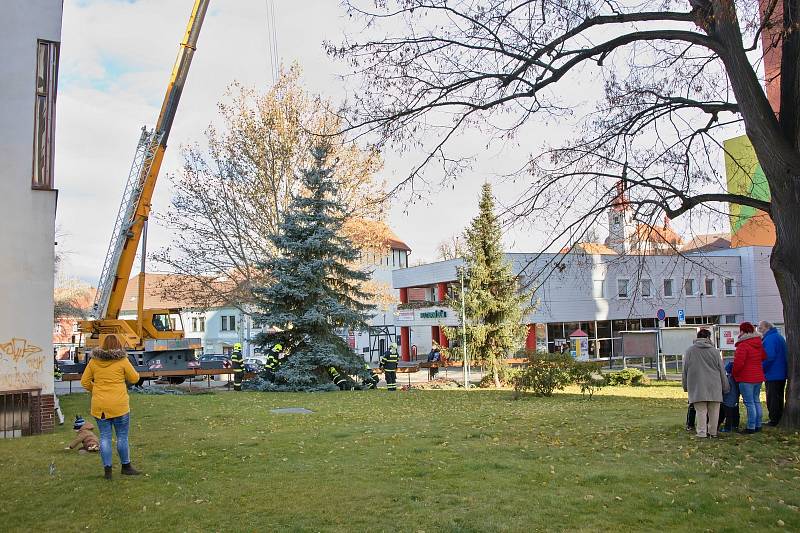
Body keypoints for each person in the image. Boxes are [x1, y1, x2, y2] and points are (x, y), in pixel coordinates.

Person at [80, 335, 142, 479]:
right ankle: (126, 466)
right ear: (119, 345)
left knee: (105, 437)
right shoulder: (122, 360)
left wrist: (95, 389)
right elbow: (134, 378)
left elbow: (84, 382)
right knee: (122, 436)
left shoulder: (94, 361)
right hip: (119, 405)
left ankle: (107, 471)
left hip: (100, 406)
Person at [682, 329, 729, 438]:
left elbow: (685, 370)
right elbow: (722, 370)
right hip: (714, 385)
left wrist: (685, 386)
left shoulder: (690, 351)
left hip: (697, 386)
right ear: (708, 338)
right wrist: (725, 386)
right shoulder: (715, 351)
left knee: (700, 411)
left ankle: (701, 433)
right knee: (714, 410)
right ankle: (713, 432)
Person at [733, 322, 767, 434]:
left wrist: (734, 374)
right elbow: (763, 357)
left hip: (746, 377)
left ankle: (751, 426)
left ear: (743, 331)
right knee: (756, 401)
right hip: (758, 376)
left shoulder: (743, 345)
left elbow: (738, 363)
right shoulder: (758, 343)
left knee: (749, 402)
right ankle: (758, 424)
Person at [758, 321, 788, 426]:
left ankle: (774, 419)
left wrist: (761, 368)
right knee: (778, 397)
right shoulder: (778, 337)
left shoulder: (770, 339)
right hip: (780, 372)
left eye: (761, 328)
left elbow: (769, 356)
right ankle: (778, 417)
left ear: (767, 327)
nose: (759, 330)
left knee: (772, 398)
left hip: (773, 373)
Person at [718, 361, 740, 433]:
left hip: (728, 400)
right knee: (735, 412)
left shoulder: (728, 379)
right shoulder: (736, 378)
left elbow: (726, 389)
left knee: (728, 415)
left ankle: (727, 428)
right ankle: (735, 425)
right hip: (735, 399)